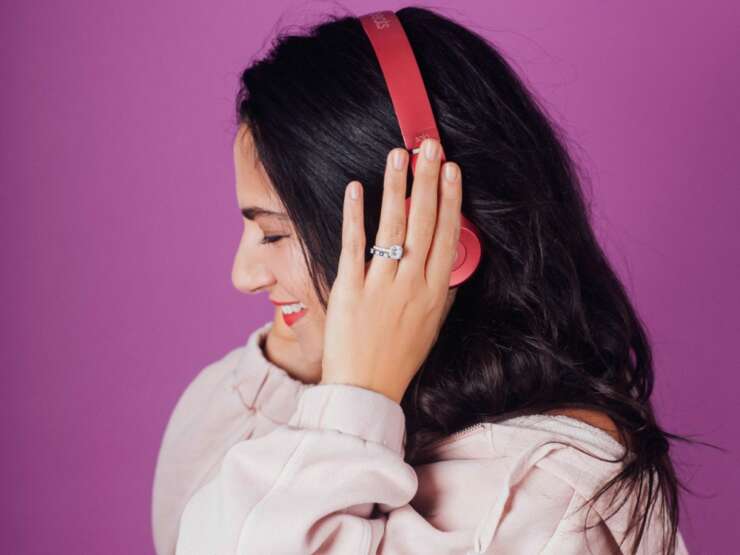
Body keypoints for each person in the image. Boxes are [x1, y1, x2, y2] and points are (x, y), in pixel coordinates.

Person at [151, 7, 693, 554]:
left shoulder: (542, 499)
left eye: (274, 234)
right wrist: (312, 372)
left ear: (429, 233)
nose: (243, 276)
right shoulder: (246, 392)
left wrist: (353, 401)